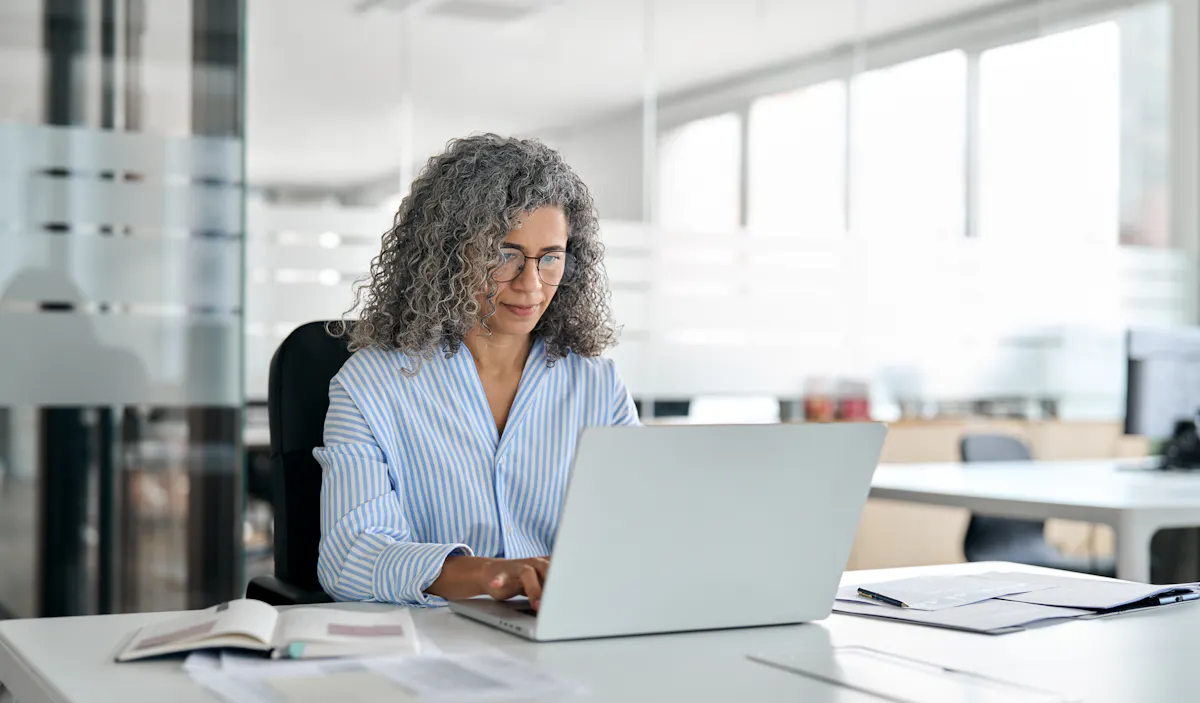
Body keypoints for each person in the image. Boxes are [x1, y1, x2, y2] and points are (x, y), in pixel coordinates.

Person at [314, 134, 639, 609]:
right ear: (447, 256)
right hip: (431, 647)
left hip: (567, 637)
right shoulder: (369, 386)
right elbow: (351, 558)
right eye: (504, 255)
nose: (531, 283)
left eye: (550, 258)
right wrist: (494, 575)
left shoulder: (598, 387)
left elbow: (641, 528)